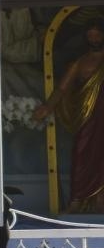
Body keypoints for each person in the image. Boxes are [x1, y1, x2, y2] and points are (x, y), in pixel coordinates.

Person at [35, 23, 104, 214]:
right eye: (90, 35)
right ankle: (77, 199)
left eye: (97, 35)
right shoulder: (80, 63)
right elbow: (62, 89)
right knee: (82, 154)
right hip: (88, 117)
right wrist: (48, 107)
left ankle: (100, 200)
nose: (94, 39)